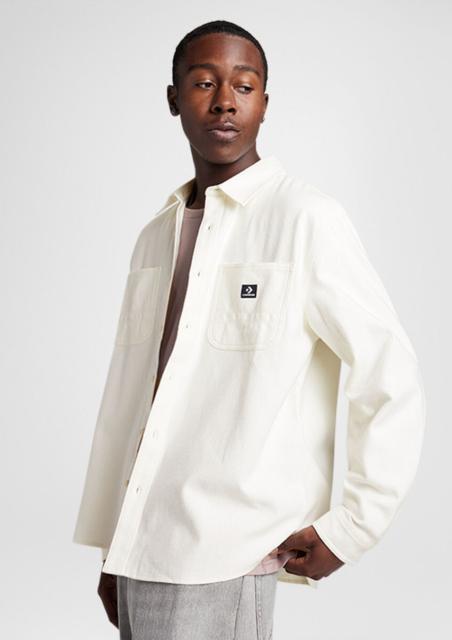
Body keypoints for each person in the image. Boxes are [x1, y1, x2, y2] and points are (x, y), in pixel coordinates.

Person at [73, 19, 426, 640]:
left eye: (244, 85)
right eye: (204, 82)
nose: (225, 102)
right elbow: (136, 399)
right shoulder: (155, 235)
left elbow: (388, 372)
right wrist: (115, 544)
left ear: (265, 103)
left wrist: (353, 527)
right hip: (140, 548)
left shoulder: (305, 219)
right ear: (174, 99)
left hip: (228, 553)